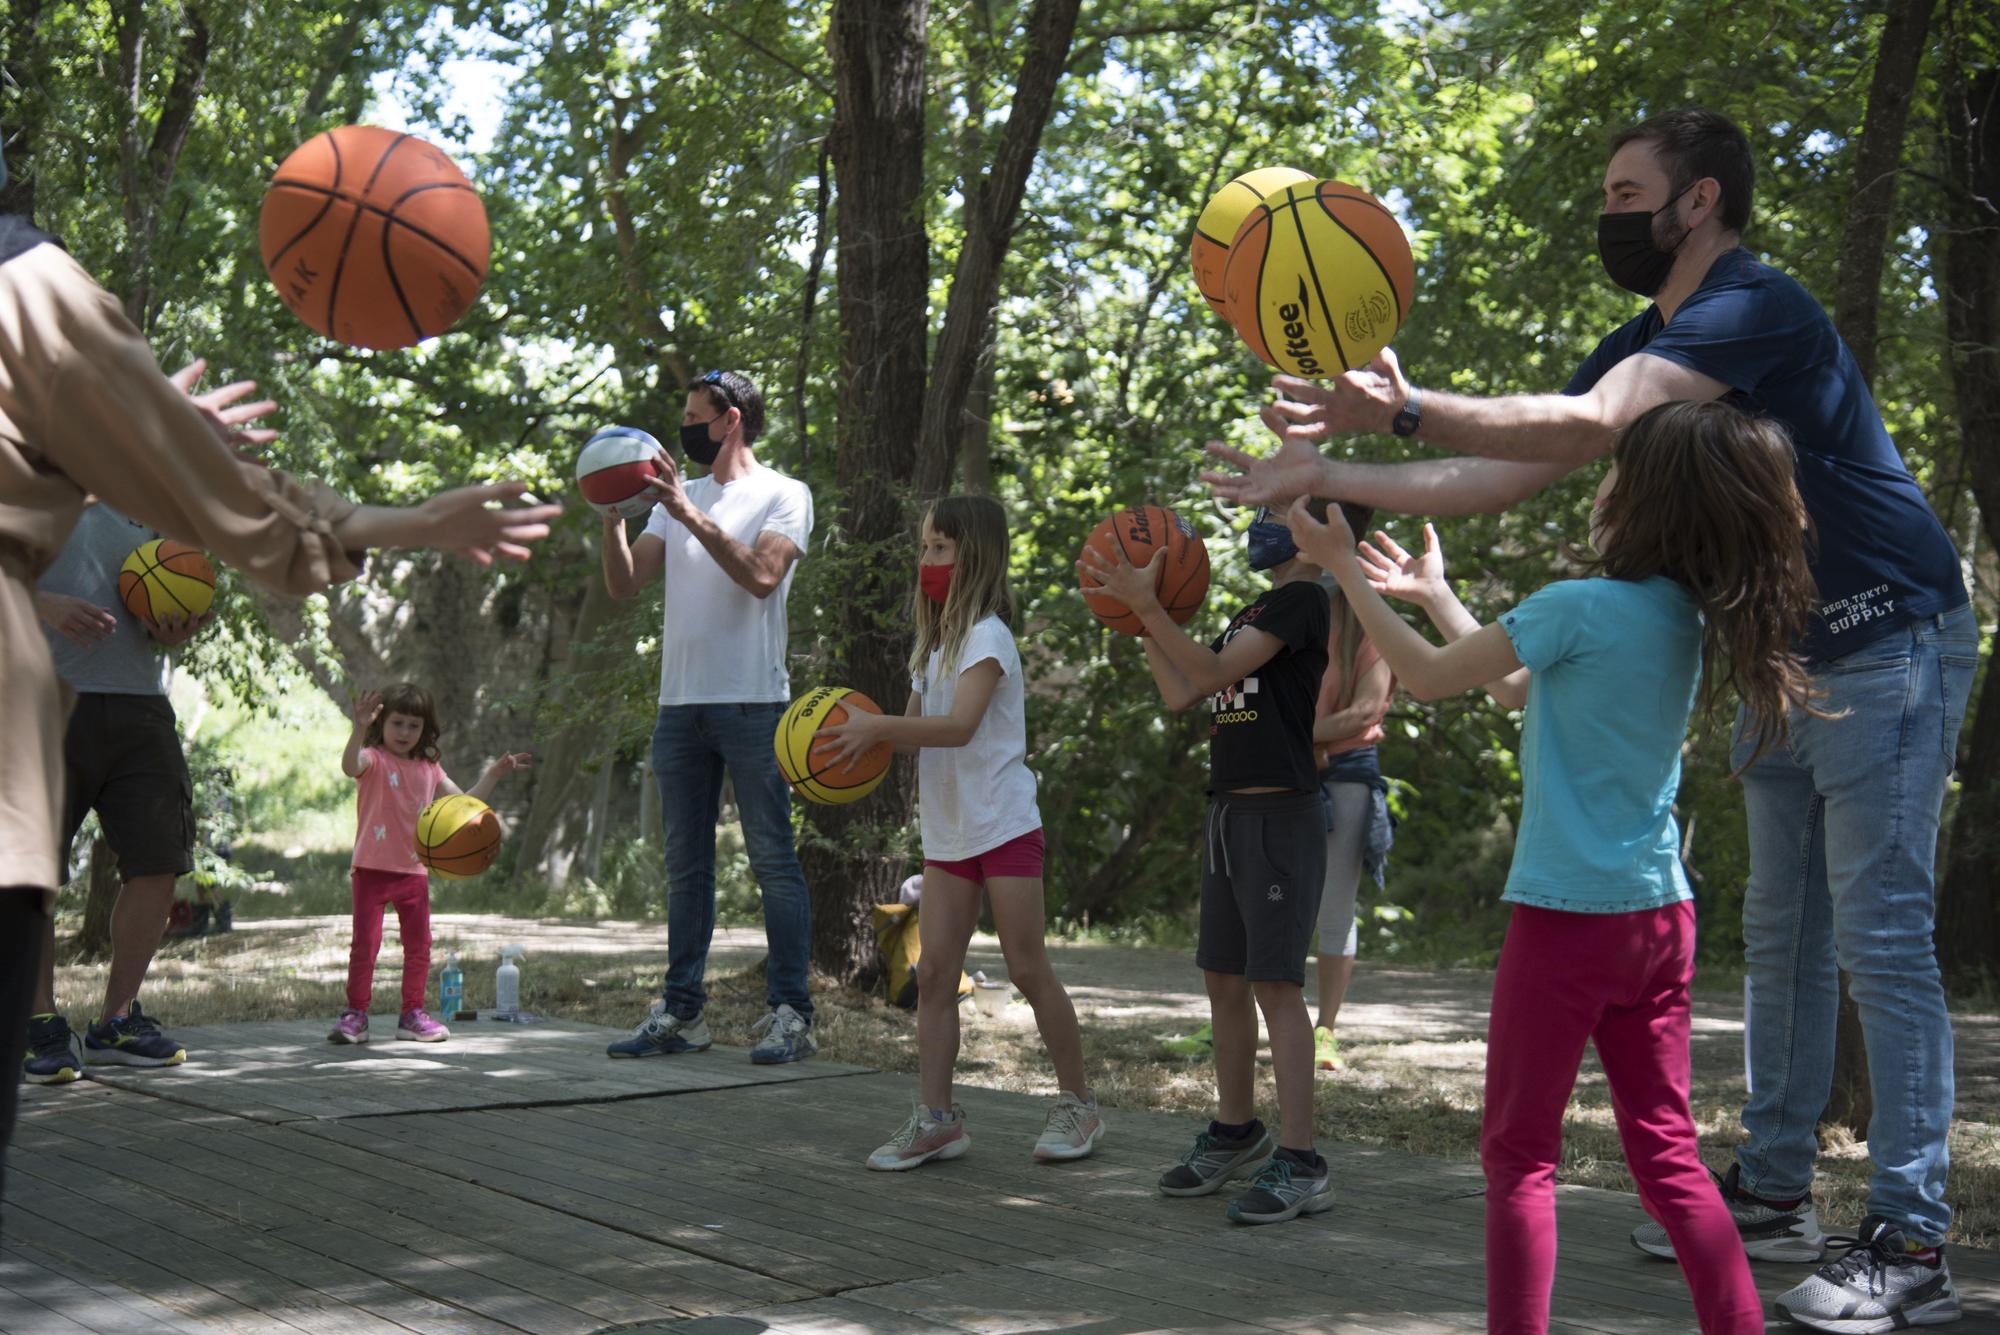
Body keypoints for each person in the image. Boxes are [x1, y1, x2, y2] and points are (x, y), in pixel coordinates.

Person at [1205, 109, 1973, 1327]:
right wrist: (1326, 476)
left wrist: (1399, 413)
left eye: (1627, 192)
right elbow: (1513, 468)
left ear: (1700, 201)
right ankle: (1770, 1194)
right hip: (1779, 660)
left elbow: (1594, 425)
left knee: (1876, 936)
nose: (1607, 213)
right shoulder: (1646, 338)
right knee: (1779, 934)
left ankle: (1911, 1237)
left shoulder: (1751, 306)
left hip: (1889, 635)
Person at [0, 158, 561, 1228]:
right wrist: (405, 523)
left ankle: (108, 1012)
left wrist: (125, 434)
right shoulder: (27, 288)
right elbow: (226, 503)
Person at [1293, 399, 1819, 1333]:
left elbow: (1425, 677)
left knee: (1520, 1159)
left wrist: (1343, 570)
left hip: (1566, 922)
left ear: (1644, 501)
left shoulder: (1578, 605)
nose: (1599, 481)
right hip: (1658, 921)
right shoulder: (1676, 619)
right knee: (1668, 1156)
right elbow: (1515, 685)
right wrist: (1433, 593)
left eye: (1613, 469)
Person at [815, 496, 1102, 1170]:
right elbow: (914, 733)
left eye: (941, 548)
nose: (928, 561)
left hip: (1002, 825)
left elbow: (958, 727)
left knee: (1028, 968)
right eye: (924, 548)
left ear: (975, 555)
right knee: (936, 972)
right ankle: (937, 1119)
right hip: (949, 834)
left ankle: (1079, 1103)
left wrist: (878, 726)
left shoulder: (988, 637)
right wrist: (844, 746)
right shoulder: (936, 643)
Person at [1082, 505, 1331, 1226]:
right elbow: (1183, 688)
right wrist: (1141, 616)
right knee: (1223, 977)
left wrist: (1149, 605)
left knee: (1275, 984)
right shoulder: (1256, 605)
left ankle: (1302, 1159)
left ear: (1318, 524)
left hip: (1280, 815)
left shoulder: (1304, 598)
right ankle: (1235, 1129)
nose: (1263, 519)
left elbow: (1216, 666)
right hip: (1227, 811)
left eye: (1279, 509)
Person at [599, 370, 819, 1064]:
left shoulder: (784, 494)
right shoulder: (673, 498)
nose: (684, 430)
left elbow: (760, 576)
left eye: (696, 416)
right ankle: (683, 1011)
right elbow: (626, 584)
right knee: (685, 868)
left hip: (755, 699)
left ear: (731, 420)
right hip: (679, 703)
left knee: (773, 860)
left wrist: (687, 512)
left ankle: (791, 1013)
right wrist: (612, 522)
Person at [23, 502, 211, 1082]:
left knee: (159, 861)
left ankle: (117, 1021)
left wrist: (182, 618)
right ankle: (36, 1024)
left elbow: (184, 578)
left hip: (141, 706)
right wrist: (39, 603)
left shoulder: (139, 489)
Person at [332, 684, 531, 1044]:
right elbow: (349, 766)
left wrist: (494, 774)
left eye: (413, 725)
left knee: (419, 946)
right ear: (382, 723)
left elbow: (465, 804)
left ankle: (411, 1015)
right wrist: (358, 727)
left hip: (414, 872)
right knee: (365, 945)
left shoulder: (430, 768)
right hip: (371, 869)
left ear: (425, 729)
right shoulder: (373, 758)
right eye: (397, 723)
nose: (405, 732)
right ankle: (355, 1014)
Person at [1307, 501, 1395, 1072]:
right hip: (1284, 771)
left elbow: (1367, 708)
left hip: (1344, 775)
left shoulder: (1367, 612)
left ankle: (1324, 1033)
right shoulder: (1286, 603)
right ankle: (1229, 1020)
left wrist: (1298, 737)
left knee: (1333, 907)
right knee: (1252, 902)